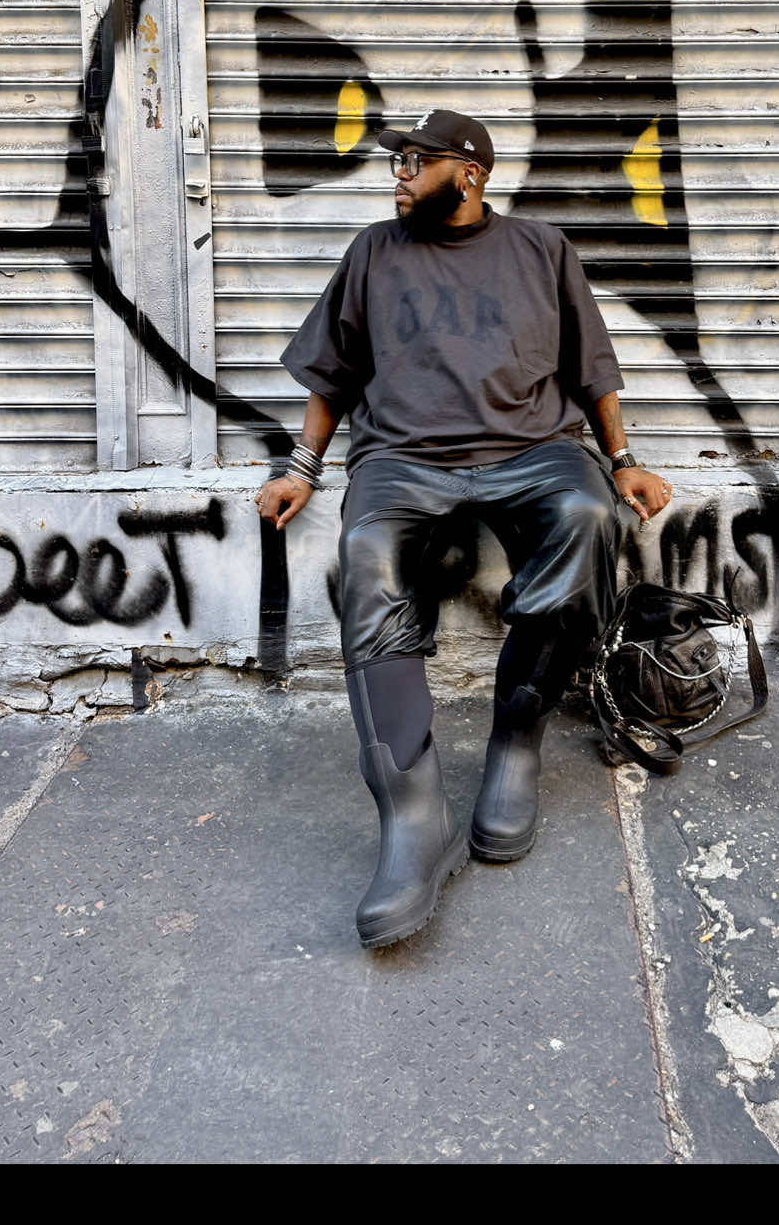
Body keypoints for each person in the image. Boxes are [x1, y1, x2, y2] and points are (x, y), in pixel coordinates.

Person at [255, 110, 673, 948]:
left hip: (533, 450)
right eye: (396, 163)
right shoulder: (375, 251)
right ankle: (414, 816)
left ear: (469, 173)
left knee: (588, 516)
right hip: (402, 459)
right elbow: (332, 371)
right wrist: (300, 468)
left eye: (413, 161)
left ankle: (516, 744)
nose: (397, 175)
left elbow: (591, 364)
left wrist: (621, 456)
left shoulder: (540, 249)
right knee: (367, 549)